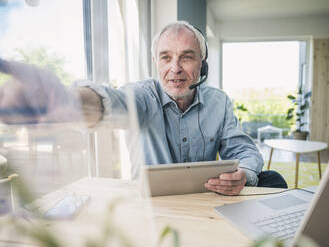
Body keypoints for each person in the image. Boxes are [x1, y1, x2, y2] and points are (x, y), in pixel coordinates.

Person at [0, 21, 287, 195]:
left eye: (187, 57)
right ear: (156, 62)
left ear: (203, 64)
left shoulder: (219, 101)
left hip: (207, 201)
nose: (174, 69)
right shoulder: (143, 96)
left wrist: (244, 175)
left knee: (274, 180)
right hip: (151, 209)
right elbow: (110, 102)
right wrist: (63, 99)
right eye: (165, 58)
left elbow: (244, 151)